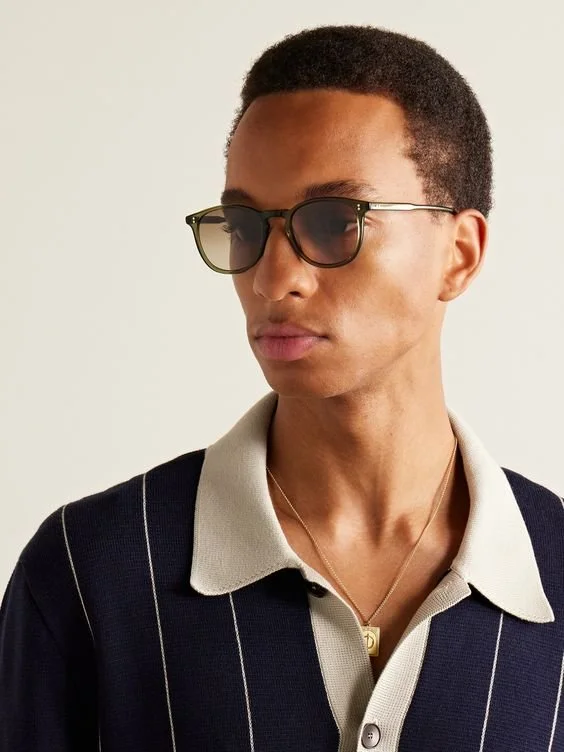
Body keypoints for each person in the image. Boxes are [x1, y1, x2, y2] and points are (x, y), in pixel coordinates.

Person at [1, 24, 562, 752]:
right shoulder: (88, 574)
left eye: (333, 223)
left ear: (458, 254)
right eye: (245, 226)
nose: (272, 279)